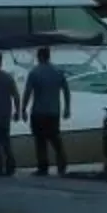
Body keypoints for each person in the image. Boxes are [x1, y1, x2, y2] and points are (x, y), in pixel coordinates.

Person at [25, 45, 72, 176]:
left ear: (39, 57)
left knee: (40, 140)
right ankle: (62, 164)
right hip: (53, 112)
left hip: (38, 111)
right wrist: (67, 107)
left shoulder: (34, 72)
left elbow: (28, 92)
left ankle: (43, 167)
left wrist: (22, 109)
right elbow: (66, 90)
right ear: (49, 56)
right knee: (55, 138)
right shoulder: (58, 71)